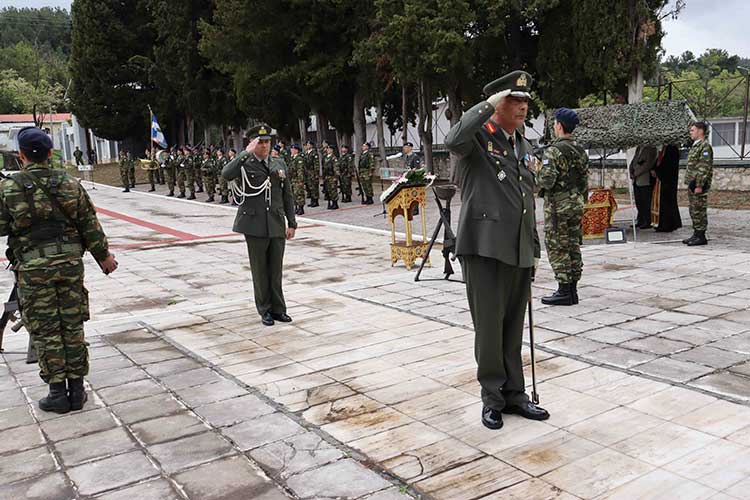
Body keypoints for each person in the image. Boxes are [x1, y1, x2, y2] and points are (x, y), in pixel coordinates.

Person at [445, 70, 548, 430]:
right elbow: (452, 138)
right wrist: (485, 106)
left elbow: (527, 203)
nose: (522, 107)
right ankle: (492, 398)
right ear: (497, 104)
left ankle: (515, 394)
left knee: (512, 328)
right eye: (514, 100)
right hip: (484, 249)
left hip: (518, 250)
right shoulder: (478, 141)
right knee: (488, 329)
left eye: (525, 102)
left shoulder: (523, 145)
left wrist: (534, 249)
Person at [0, 127, 118, 413]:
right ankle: (76, 390)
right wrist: (104, 257)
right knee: (72, 325)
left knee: (47, 330)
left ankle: (57, 394)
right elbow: (90, 226)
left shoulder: (9, 188)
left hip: (33, 270)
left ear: (21, 155)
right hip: (69, 267)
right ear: (50, 154)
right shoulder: (70, 184)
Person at [221, 125, 297, 326]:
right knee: (260, 270)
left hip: (276, 223)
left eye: (267, 142)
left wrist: (292, 223)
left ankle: (279, 309)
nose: (264, 146)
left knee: (276, 270)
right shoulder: (245, 163)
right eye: (260, 142)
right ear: (253, 143)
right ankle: (265, 310)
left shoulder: (278, 163)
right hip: (254, 224)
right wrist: (245, 153)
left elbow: (287, 195)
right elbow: (226, 173)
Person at [538, 108, 589, 306]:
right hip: (576, 202)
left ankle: (564, 291)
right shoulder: (580, 149)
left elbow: (547, 181)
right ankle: (572, 290)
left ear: (559, 125)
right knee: (573, 244)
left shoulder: (554, 150)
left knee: (558, 245)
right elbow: (584, 180)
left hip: (559, 205)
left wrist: (536, 171)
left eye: (554, 123)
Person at [684, 121, 713, 246]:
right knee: (693, 209)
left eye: (692, 130)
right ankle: (696, 234)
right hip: (692, 183)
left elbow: (703, 167)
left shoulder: (705, 146)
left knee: (699, 210)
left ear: (700, 131)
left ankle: (701, 236)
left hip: (698, 184)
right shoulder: (696, 145)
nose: (690, 132)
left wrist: (699, 185)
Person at [652, 144, 682, 232]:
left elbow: (668, 166)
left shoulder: (672, 149)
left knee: (667, 204)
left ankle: (667, 225)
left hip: (668, 181)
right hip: (661, 181)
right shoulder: (665, 148)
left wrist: (657, 172)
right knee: (661, 204)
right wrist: (654, 169)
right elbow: (658, 162)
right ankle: (660, 223)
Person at [629, 145, 657, 229]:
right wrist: (631, 170)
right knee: (639, 201)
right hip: (636, 180)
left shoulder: (651, 149)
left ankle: (647, 221)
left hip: (644, 179)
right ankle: (640, 219)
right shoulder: (639, 148)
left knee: (646, 201)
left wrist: (636, 173)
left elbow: (647, 164)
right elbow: (634, 161)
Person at [289, 144, 306, 215]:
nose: (291, 151)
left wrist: (300, 180)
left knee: (299, 193)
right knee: (294, 194)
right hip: (293, 179)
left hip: (298, 179)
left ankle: (301, 208)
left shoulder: (299, 159)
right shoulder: (292, 158)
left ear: (296, 150)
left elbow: (300, 170)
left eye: (292, 149)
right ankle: (297, 207)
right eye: (291, 149)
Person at [323, 144, 340, 210]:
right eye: (327, 149)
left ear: (332, 150)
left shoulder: (334, 158)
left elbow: (336, 168)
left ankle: (335, 203)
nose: (328, 150)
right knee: (329, 190)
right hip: (327, 176)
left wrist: (336, 177)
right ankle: (331, 202)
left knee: (333, 190)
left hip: (332, 176)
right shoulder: (326, 157)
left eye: (329, 149)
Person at [303, 140, 320, 207]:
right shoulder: (307, 153)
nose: (307, 145)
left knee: (314, 187)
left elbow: (316, 165)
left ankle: (315, 201)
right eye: (307, 144)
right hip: (308, 172)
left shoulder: (314, 153)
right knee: (310, 187)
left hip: (312, 172)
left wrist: (316, 174)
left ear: (311, 145)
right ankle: (312, 200)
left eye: (308, 144)